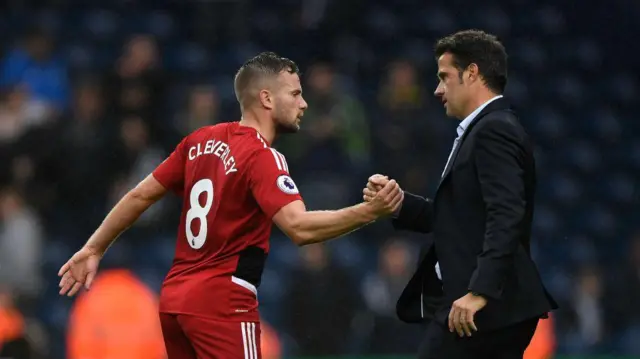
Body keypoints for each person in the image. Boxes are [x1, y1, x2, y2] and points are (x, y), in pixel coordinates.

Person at [58, 52, 403, 359]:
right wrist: (369, 212)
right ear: (267, 99)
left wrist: (94, 247)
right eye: (296, 94)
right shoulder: (263, 157)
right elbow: (299, 228)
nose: (304, 104)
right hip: (223, 303)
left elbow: (139, 195)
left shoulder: (199, 141)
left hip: (176, 301)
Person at [363, 30, 557, 359]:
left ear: (472, 73)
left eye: (444, 77)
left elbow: (506, 214)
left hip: (482, 309)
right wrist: (398, 203)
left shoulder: (493, 130)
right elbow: (459, 219)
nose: (437, 89)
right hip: (480, 307)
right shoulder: (483, 129)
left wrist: (480, 291)